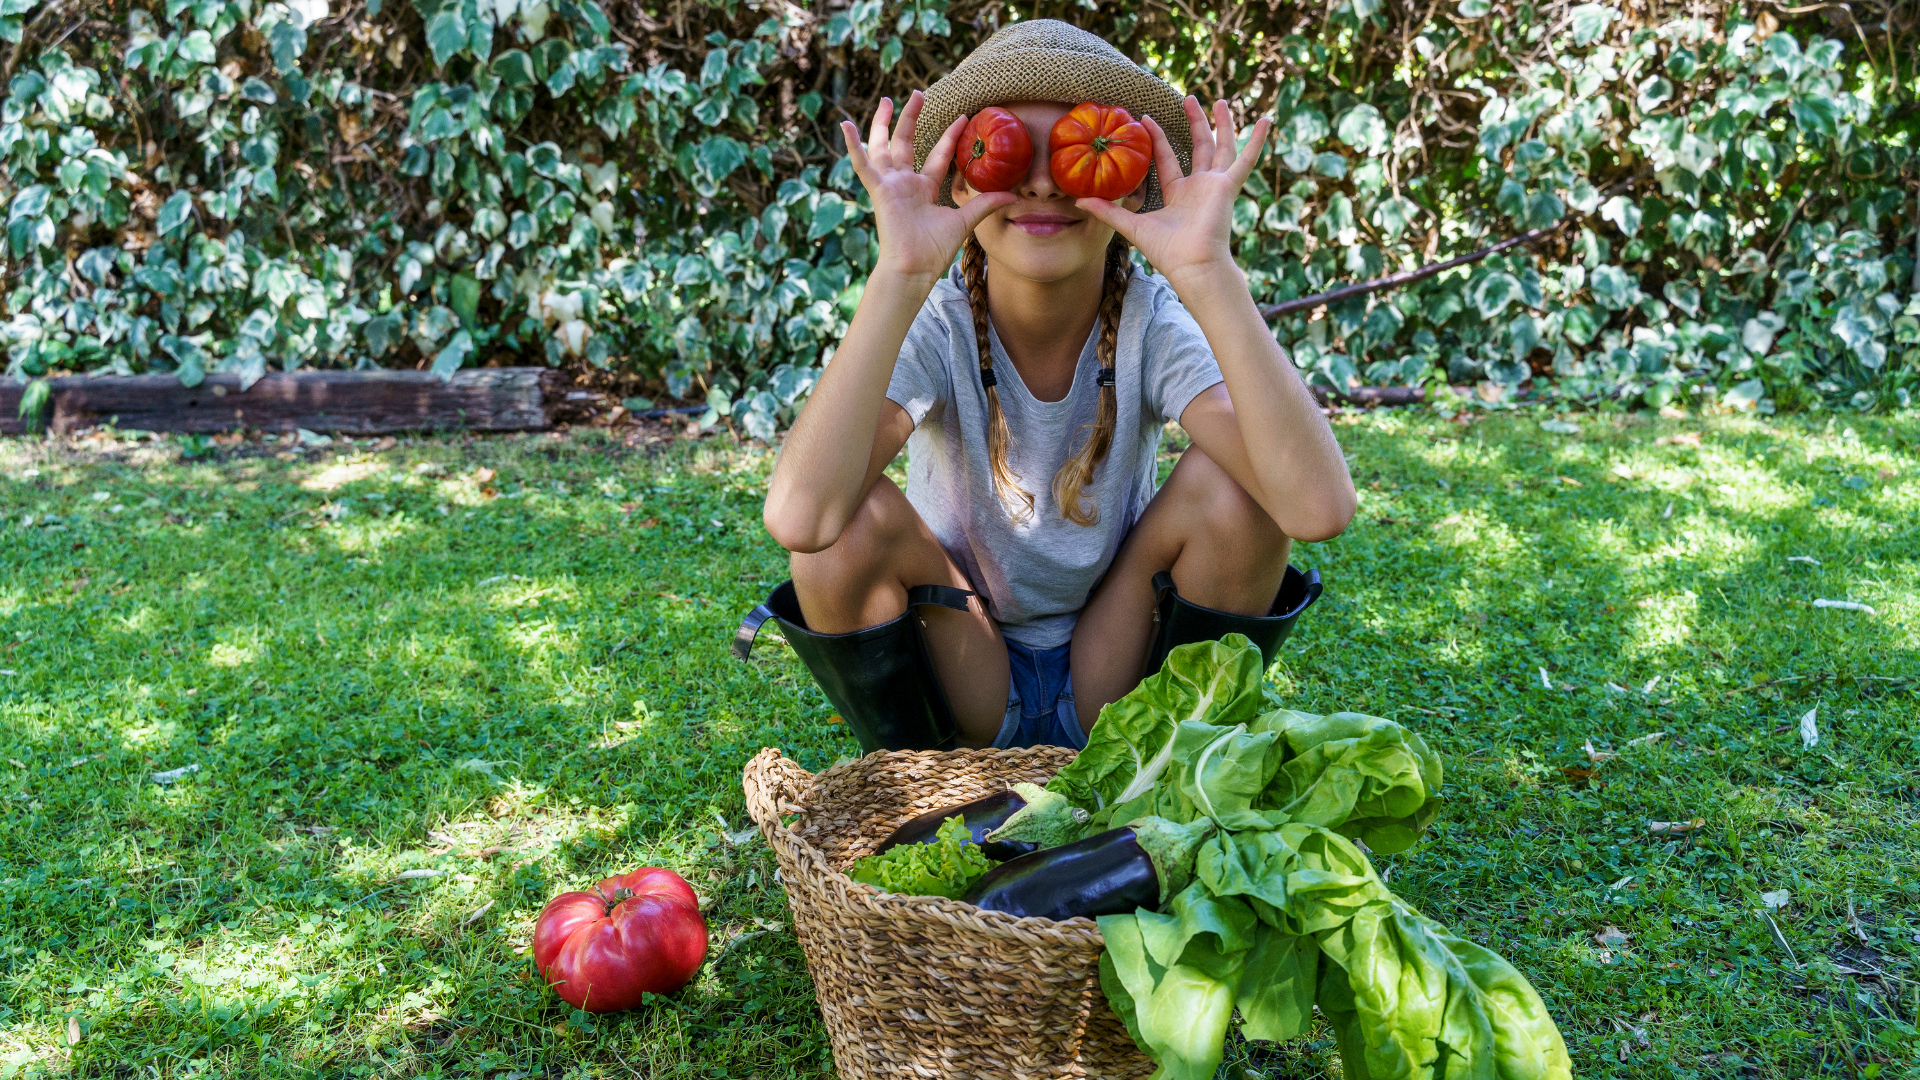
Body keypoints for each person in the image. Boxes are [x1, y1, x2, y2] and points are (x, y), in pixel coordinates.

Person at [735, 21, 1356, 754]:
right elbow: (803, 522)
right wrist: (898, 274)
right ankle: (921, 785)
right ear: (961, 181)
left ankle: (1164, 767)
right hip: (968, 666)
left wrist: (1209, 273)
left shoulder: (1151, 322)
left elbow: (1315, 508)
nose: (1040, 181)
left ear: (1129, 180)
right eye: (1009, 152)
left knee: (1241, 488)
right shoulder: (937, 324)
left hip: (1116, 675)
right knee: (844, 522)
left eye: (1075, 152)